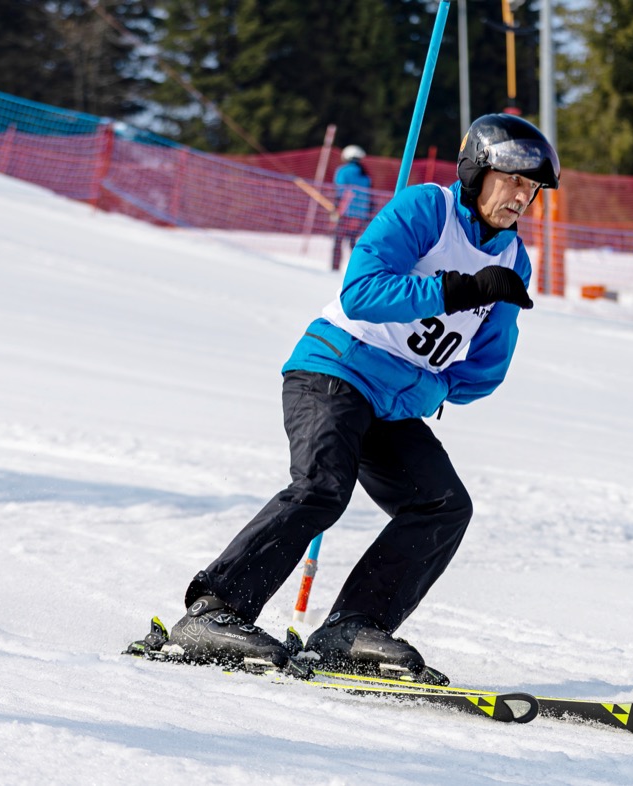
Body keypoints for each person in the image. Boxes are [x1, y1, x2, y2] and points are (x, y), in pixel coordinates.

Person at [164, 114, 560, 683]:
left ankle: (352, 629)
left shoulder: (514, 258)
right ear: (477, 171)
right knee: (322, 488)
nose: (522, 196)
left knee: (443, 505)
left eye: (532, 187)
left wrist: (435, 384)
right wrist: (459, 290)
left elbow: (484, 368)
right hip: (335, 369)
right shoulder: (427, 210)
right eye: (512, 180)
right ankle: (214, 610)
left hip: (395, 404)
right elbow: (362, 292)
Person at [331, 144, 373, 271]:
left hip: (345, 211)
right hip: (361, 214)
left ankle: (335, 268)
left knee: (338, 240)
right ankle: (357, 269)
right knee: (353, 242)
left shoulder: (343, 171)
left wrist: (335, 208)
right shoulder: (365, 175)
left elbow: (340, 191)